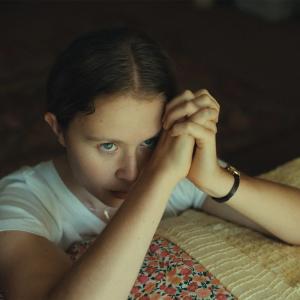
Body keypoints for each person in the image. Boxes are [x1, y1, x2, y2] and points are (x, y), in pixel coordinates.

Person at [0, 26, 299, 300]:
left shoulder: (175, 164)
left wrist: (214, 179)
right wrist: (157, 180)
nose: (131, 171)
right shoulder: (22, 202)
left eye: (149, 142)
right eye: (107, 146)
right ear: (58, 129)